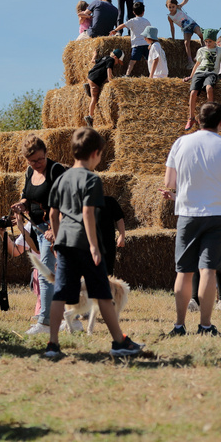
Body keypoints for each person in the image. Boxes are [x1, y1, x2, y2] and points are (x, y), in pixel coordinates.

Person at [45, 127, 144, 357]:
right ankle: (119, 342)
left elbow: (52, 215)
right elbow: (88, 213)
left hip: (65, 242)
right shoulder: (92, 179)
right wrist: (93, 245)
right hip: (85, 243)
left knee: (60, 293)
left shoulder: (61, 178)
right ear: (95, 154)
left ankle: (52, 344)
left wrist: (58, 240)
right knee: (102, 293)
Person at [161, 102, 221, 337]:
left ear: (197, 120)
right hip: (219, 212)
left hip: (188, 211)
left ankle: (179, 325)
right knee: (208, 270)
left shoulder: (180, 143)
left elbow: (169, 182)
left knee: (184, 272)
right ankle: (205, 325)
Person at [10, 134, 66, 335]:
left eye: (40, 159)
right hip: (38, 229)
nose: (37, 164)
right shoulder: (28, 172)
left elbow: (67, 201)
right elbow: (27, 196)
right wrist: (21, 204)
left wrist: (54, 229)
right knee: (58, 273)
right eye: (32, 161)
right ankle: (72, 320)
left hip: (56, 229)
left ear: (46, 154)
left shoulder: (56, 170)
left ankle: (45, 322)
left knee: (46, 273)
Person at [182, 29, 221, 131]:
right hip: (199, 73)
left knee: (209, 88)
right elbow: (197, 64)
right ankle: (191, 118)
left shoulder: (220, 51)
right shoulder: (201, 50)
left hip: (212, 73)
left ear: (215, 41)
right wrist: (191, 76)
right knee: (193, 92)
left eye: (209, 41)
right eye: (206, 41)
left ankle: (209, 117)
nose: (207, 43)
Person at [84, 48, 124, 127]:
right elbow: (108, 70)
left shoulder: (104, 58)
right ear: (115, 57)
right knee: (94, 98)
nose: (117, 63)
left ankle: (88, 86)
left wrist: (94, 55)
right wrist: (111, 80)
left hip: (90, 76)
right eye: (118, 61)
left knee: (96, 89)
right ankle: (90, 117)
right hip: (95, 80)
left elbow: (93, 61)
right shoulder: (111, 60)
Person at [109, 2, 151, 77]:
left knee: (132, 61)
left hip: (137, 44)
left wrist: (115, 30)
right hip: (146, 44)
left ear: (133, 12)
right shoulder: (147, 21)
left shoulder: (132, 21)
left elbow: (123, 25)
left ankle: (127, 74)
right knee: (148, 60)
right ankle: (152, 73)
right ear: (143, 12)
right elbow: (150, 32)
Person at [166, 0, 204, 67]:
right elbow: (172, 27)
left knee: (200, 33)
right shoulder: (170, 17)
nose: (171, 9)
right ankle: (190, 60)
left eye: (173, 6)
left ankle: (203, 48)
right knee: (186, 43)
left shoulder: (179, 8)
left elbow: (184, 1)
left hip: (192, 24)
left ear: (176, 6)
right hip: (186, 29)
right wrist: (173, 38)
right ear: (167, 7)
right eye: (169, 7)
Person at [98, 195, 126, 276]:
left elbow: (119, 219)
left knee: (107, 272)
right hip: (88, 244)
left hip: (107, 243)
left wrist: (122, 235)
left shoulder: (110, 201)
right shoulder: (83, 203)